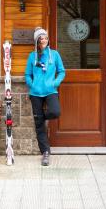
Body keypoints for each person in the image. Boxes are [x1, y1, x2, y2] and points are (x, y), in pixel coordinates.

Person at [25, 27, 65, 166]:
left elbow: (61, 72)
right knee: (39, 125)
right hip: (35, 93)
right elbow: (27, 74)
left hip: (50, 91)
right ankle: (45, 153)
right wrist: (32, 85)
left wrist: (55, 83)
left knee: (55, 111)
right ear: (36, 41)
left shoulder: (54, 55)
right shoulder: (32, 56)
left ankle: (41, 117)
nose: (44, 40)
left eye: (45, 38)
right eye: (41, 38)